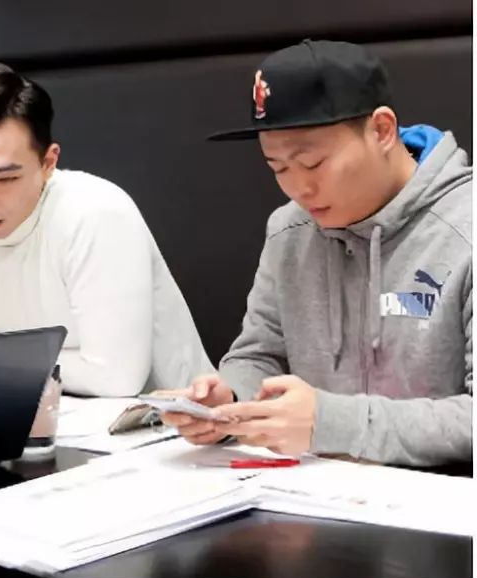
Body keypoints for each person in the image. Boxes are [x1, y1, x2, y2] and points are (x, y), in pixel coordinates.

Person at [162, 39, 472, 466]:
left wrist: (330, 422)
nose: (298, 188)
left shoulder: (464, 230)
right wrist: (230, 400)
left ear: (382, 130)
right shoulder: (289, 231)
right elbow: (260, 355)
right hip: (313, 490)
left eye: (312, 164)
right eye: (278, 168)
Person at [0, 62, 214, 397]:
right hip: (45, 414)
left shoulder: (94, 213)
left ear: (48, 163)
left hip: (165, 421)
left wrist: (0, 361)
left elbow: (116, 378)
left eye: (6, 178)